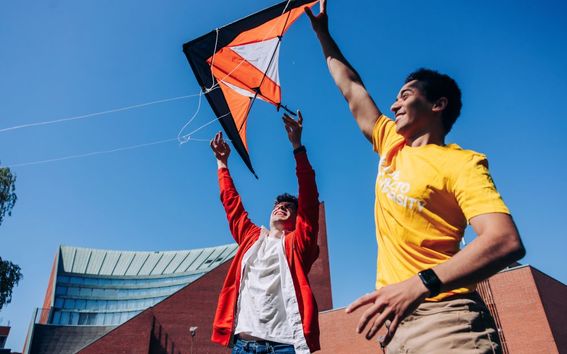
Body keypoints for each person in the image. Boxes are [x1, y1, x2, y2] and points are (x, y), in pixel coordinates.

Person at [305, 1, 526, 353]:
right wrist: (322, 34)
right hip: (395, 328)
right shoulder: (391, 142)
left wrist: (420, 284)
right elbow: (351, 87)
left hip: (447, 321)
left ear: (437, 105)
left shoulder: (462, 163)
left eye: (405, 96)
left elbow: (504, 241)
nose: (394, 105)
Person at [209, 111, 321, 354]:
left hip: (283, 347)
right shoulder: (251, 238)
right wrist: (222, 164)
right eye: (277, 206)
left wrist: (297, 146)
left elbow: (310, 200)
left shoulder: (298, 244)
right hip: (243, 346)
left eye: (288, 207)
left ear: (295, 218)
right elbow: (231, 204)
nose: (280, 208)